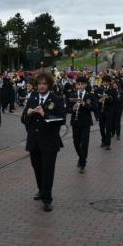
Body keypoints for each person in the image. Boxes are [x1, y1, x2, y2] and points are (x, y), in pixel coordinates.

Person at [21, 71, 65, 212]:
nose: (41, 86)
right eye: (39, 84)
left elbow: (62, 119)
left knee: (48, 170)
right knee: (37, 168)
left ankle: (47, 198)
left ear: (49, 85)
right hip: (34, 141)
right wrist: (27, 115)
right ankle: (41, 189)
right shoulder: (32, 98)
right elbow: (23, 119)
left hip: (49, 142)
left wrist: (44, 114)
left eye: (44, 84)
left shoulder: (56, 99)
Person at [69, 76, 95, 173]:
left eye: (82, 84)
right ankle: (81, 157)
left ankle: (83, 163)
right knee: (76, 142)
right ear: (76, 85)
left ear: (85, 85)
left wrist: (84, 104)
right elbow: (67, 108)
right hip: (75, 122)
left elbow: (94, 107)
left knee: (84, 143)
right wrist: (73, 108)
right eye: (78, 84)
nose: (80, 86)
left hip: (85, 122)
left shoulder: (90, 95)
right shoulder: (72, 94)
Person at [97, 75, 116, 150]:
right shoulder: (100, 89)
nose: (105, 83)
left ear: (109, 82)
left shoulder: (113, 90)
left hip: (109, 111)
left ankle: (108, 143)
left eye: (106, 82)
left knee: (108, 128)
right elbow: (96, 98)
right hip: (101, 111)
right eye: (104, 82)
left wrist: (108, 98)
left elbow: (114, 100)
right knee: (101, 127)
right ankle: (103, 140)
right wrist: (99, 100)